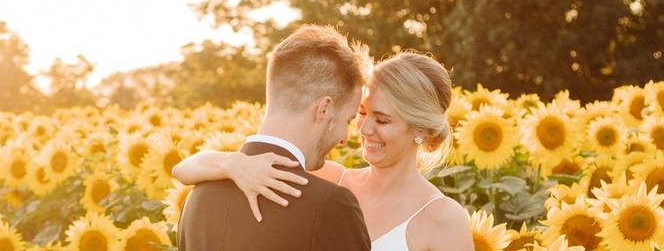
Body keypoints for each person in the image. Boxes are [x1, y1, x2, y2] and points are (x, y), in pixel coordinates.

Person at [174, 51, 473, 251]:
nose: (365, 129)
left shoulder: (443, 218)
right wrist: (233, 165)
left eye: (382, 120)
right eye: (362, 113)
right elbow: (184, 170)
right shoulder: (328, 178)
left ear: (420, 130)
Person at [176, 24, 371, 251]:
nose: (343, 138)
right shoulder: (330, 205)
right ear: (324, 109)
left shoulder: (196, 199)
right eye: (347, 120)